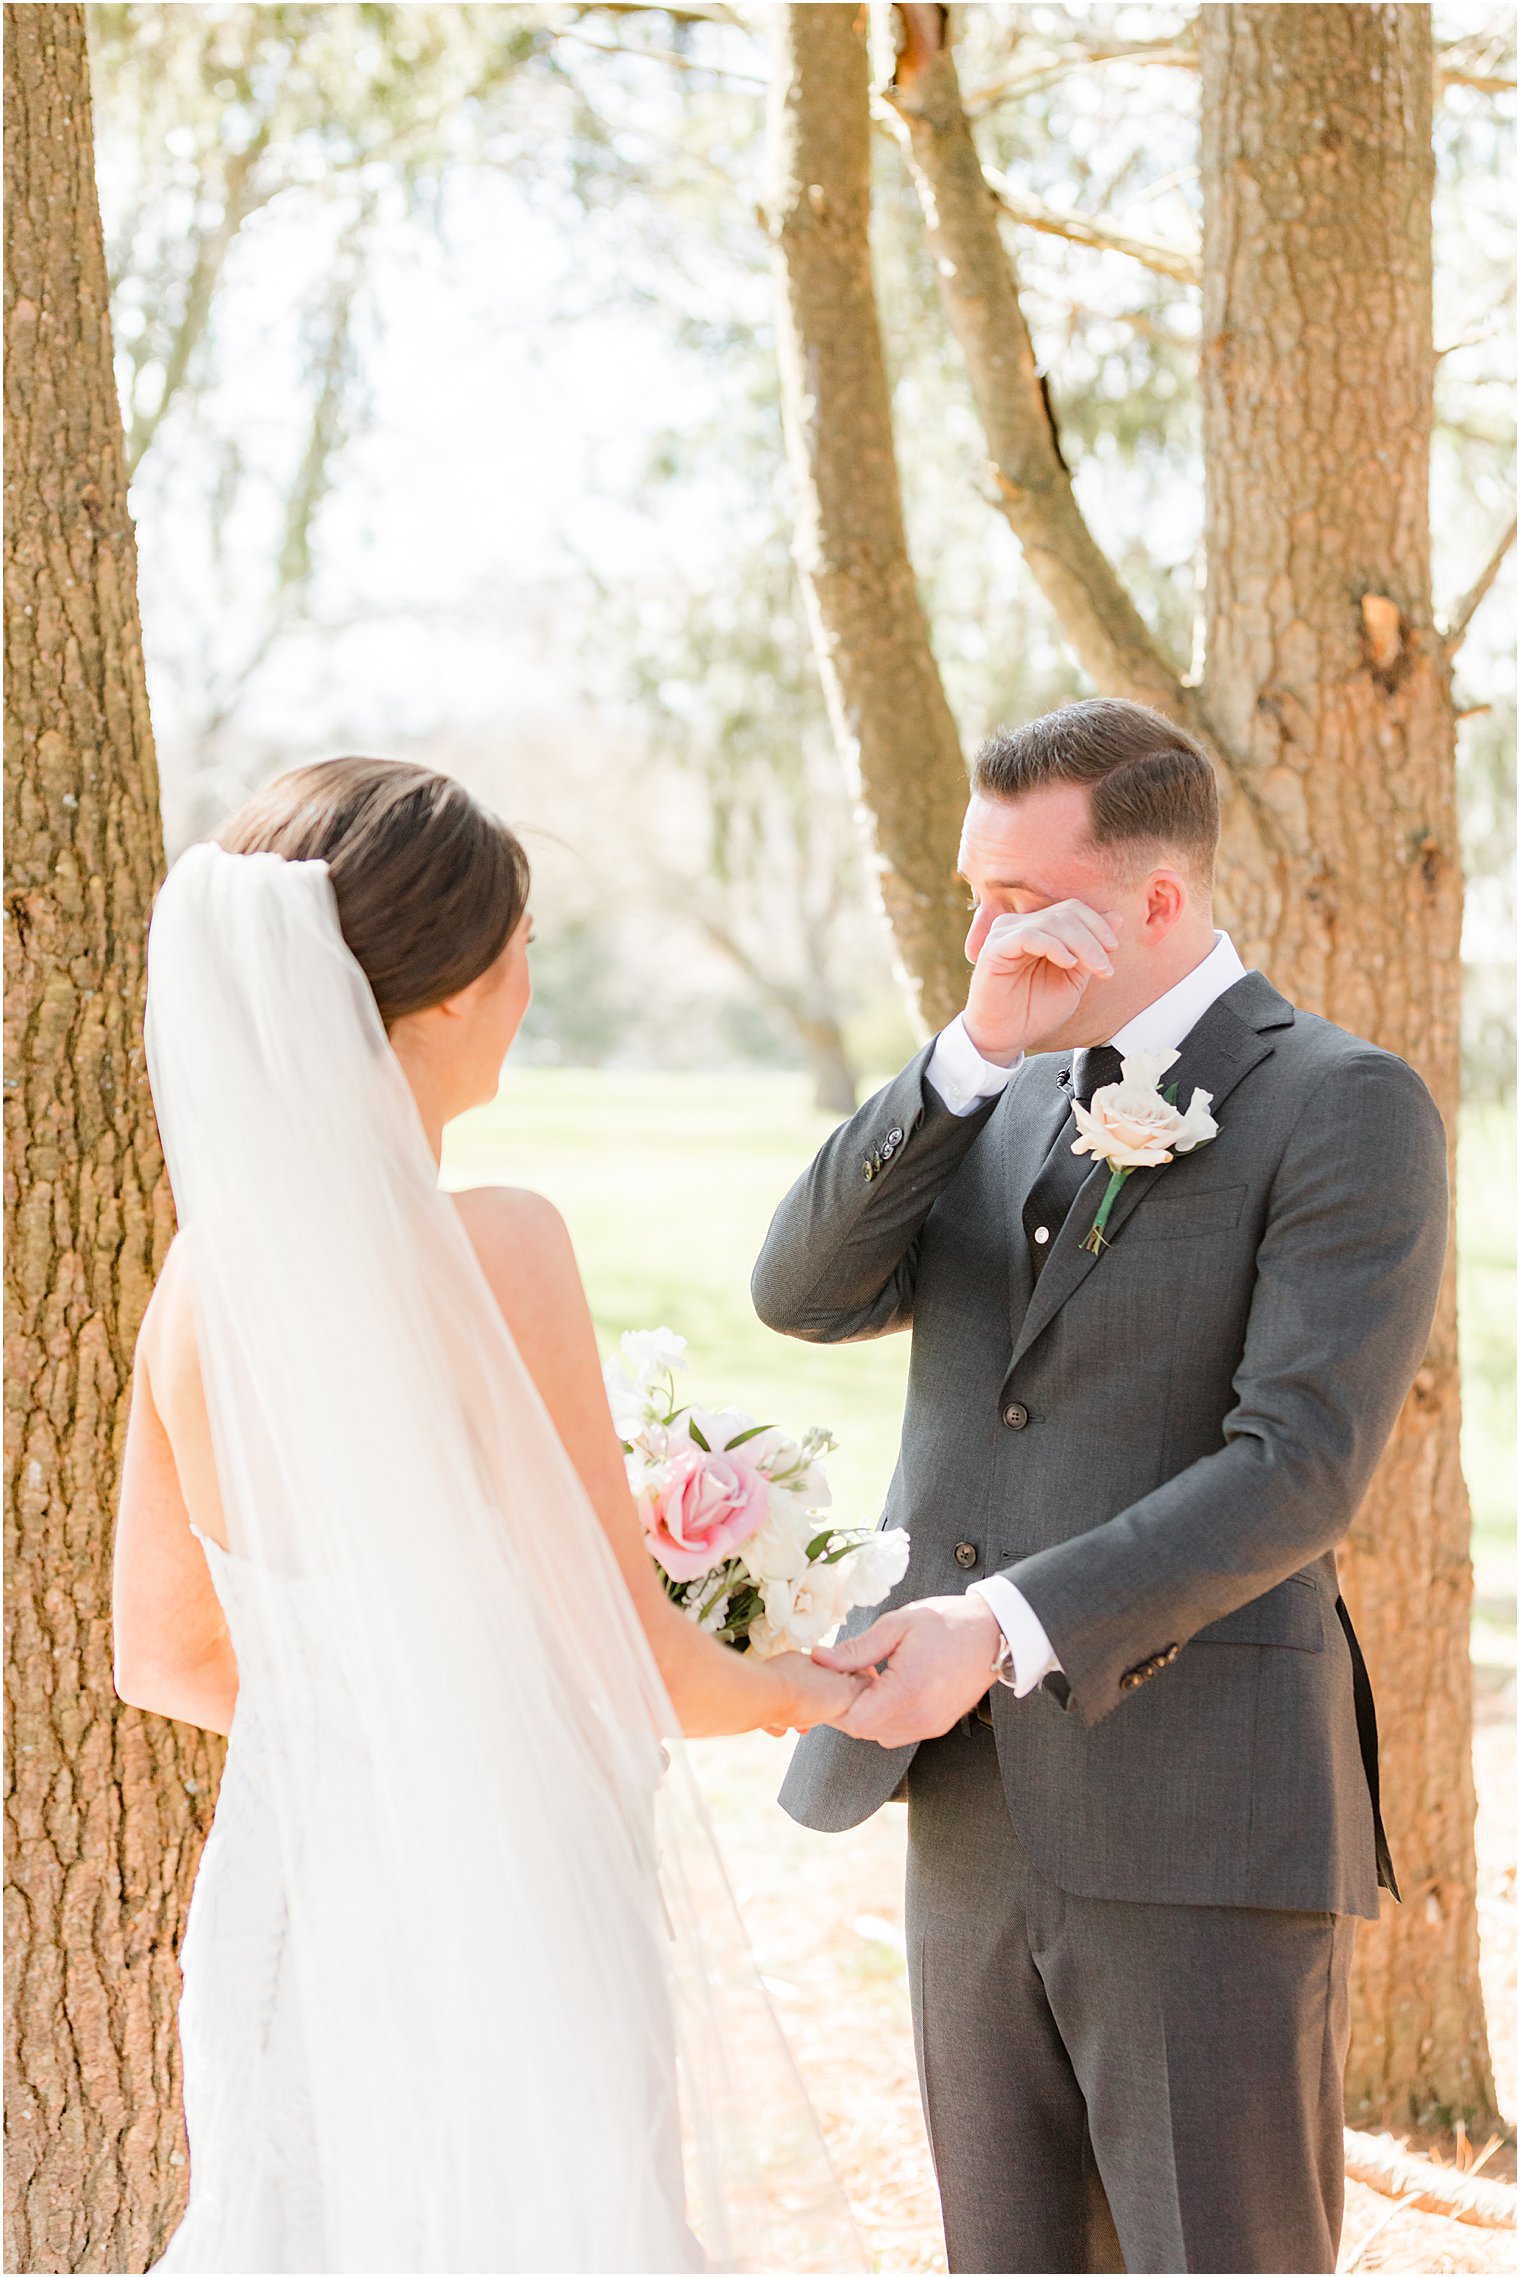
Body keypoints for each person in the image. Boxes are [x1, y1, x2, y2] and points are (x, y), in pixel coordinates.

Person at [114, 756, 863, 2274]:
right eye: (519, 945)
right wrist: (808, 1678)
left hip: (291, 1917)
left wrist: (385, 1716)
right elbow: (652, 1669)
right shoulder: (500, 1250)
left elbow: (164, 1658)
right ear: (449, 992)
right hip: (508, 1927)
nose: (530, 978)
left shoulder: (195, 1290)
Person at [754, 698, 1449, 2277]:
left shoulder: (1341, 1104)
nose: (988, 934)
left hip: (1204, 1805)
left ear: (1155, 898)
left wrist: (996, 1626)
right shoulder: (988, 1088)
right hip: (970, 1805)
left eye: (1022, 900)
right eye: (973, 895)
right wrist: (964, 1055)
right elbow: (800, 1291)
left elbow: (1298, 1469)